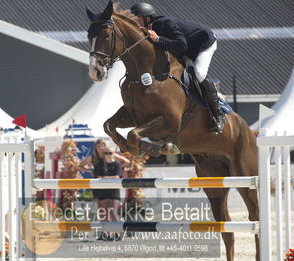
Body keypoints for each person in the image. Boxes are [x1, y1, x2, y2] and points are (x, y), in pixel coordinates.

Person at [130, 2, 225, 135]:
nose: (135, 22)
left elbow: (181, 45)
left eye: (137, 18)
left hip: (204, 43)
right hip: (187, 48)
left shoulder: (164, 23)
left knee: (199, 72)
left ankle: (218, 116)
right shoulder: (148, 29)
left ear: (147, 18)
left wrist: (158, 39)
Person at [78, 139, 129, 240]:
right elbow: (80, 166)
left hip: (111, 186)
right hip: (99, 185)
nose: (100, 148)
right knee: (102, 211)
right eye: (98, 147)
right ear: (96, 148)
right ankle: (105, 233)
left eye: (102, 146)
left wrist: (118, 168)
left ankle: (117, 232)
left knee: (111, 211)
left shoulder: (111, 154)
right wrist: (90, 171)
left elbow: (126, 161)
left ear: (105, 146)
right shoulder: (93, 157)